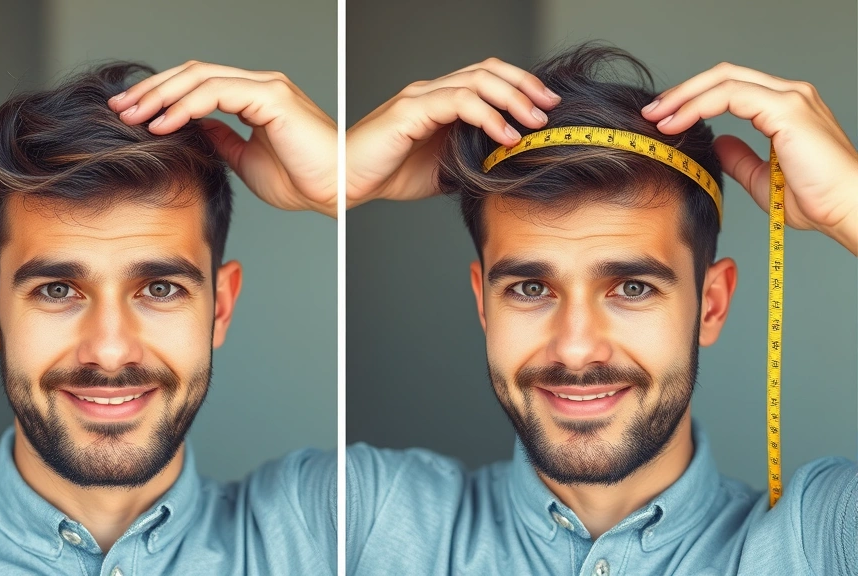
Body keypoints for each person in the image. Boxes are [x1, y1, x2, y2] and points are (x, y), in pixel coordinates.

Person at [345, 43, 857, 575]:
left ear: (711, 305)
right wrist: (337, 181)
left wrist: (850, 204)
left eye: (632, 288)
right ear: (483, 304)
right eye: (529, 289)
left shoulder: (825, 543)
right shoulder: (362, 522)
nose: (576, 348)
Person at [0, 62, 337, 575]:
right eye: (57, 290)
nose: (111, 350)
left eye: (160, 289)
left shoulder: (342, 528)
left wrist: (342, 184)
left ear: (221, 307)